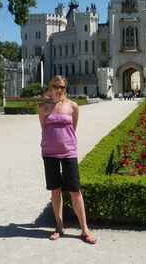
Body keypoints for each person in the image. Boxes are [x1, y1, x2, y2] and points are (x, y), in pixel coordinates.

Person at [38, 75, 97, 244]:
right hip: (49, 153)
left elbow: (73, 128)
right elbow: (44, 128)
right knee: (55, 190)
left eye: (62, 87)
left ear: (65, 88)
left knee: (75, 191)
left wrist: (65, 141)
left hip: (68, 152)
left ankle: (84, 229)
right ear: (50, 87)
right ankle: (59, 227)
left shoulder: (73, 106)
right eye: (55, 86)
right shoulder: (43, 107)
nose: (59, 90)